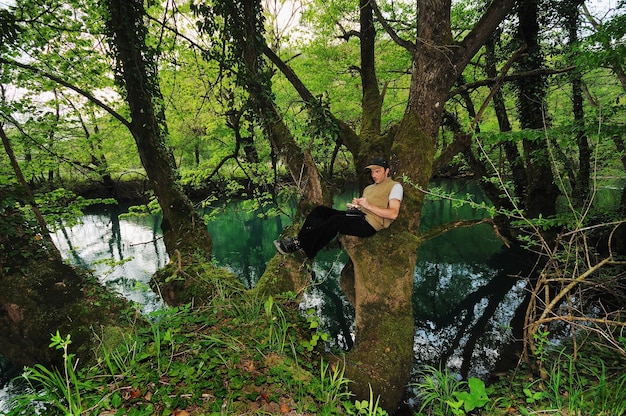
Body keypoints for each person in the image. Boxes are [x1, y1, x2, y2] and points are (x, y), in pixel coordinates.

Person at [274, 157, 403, 259]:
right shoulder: (369, 188)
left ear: (387, 171)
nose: (374, 175)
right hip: (359, 216)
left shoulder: (395, 186)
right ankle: (301, 240)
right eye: (372, 172)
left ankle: (302, 246)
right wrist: (356, 205)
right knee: (320, 211)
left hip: (370, 225)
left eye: (378, 171)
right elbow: (364, 207)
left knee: (336, 221)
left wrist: (368, 205)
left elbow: (393, 214)